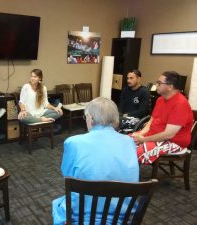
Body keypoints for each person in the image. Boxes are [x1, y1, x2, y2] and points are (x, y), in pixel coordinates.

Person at [52, 97, 139, 225]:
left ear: (91, 119)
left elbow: (67, 176)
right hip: (120, 216)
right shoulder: (129, 141)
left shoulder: (73, 142)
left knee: (57, 205)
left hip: (81, 217)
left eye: (85, 117)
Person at [132, 71, 193, 164]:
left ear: (170, 86)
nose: (156, 85)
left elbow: (168, 135)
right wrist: (141, 133)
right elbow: (151, 120)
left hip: (173, 142)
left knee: (136, 152)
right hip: (154, 135)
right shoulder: (160, 99)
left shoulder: (180, 104)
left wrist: (143, 140)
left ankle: (127, 176)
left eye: (159, 83)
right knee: (125, 142)